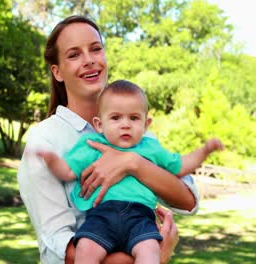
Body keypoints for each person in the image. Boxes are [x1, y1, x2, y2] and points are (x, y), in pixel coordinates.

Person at [17, 15, 201, 264]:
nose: (89, 60)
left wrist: (133, 163)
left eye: (95, 49)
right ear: (57, 72)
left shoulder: (133, 128)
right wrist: (157, 255)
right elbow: (59, 248)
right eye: (74, 55)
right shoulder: (45, 140)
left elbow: (189, 200)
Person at [36, 80, 224, 263]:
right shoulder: (93, 146)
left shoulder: (151, 149)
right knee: (85, 249)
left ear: (146, 124)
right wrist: (52, 160)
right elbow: (68, 171)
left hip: (140, 217)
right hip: (101, 216)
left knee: (150, 252)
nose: (125, 124)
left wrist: (205, 150)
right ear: (99, 124)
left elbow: (181, 165)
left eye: (133, 118)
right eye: (116, 118)